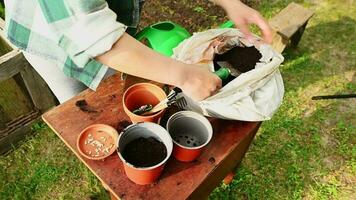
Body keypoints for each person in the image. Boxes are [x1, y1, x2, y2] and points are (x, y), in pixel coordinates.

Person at [4, 0, 272, 103]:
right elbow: (97, 38)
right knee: (81, 107)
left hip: (99, 22)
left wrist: (229, 3)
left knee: (122, 90)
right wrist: (186, 77)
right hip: (44, 35)